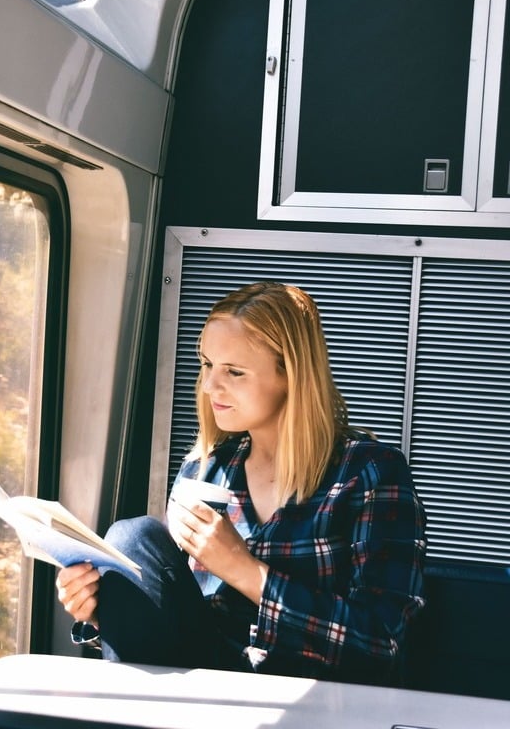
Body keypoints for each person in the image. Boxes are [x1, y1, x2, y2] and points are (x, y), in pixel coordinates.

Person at [56, 281, 426, 685]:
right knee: (133, 539)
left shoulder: (369, 473)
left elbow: (378, 646)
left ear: (291, 376)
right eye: (207, 364)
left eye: (233, 371)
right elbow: (177, 621)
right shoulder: (204, 471)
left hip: (315, 702)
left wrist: (245, 571)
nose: (210, 386)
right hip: (209, 691)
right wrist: (106, 609)